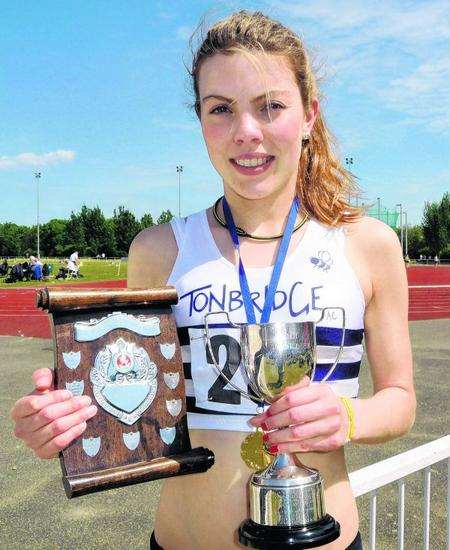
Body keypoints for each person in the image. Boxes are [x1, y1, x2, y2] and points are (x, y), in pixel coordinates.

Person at [10, 11, 415, 550]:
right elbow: (131, 398)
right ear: (200, 120)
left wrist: (348, 415)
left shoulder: (368, 245)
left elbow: (400, 401)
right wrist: (66, 421)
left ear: (309, 115)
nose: (246, 132)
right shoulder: (158, 251)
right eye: (220, 109)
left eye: (271, 106)